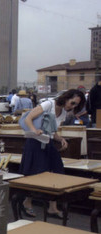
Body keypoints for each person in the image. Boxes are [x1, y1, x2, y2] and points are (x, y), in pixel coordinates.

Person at [19, 89, 85, 218]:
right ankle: (27, 202)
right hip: (34, 142)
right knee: (35, 173)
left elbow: (52, 131)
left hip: (47, 142)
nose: (72, 106)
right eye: (72, 103)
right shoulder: (48, 104)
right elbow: (28, 118)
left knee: (57, 170)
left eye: (75, 105)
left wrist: (60, 139)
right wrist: (34, 130)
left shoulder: (64, 112)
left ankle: (52, 207)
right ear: (66, 98)